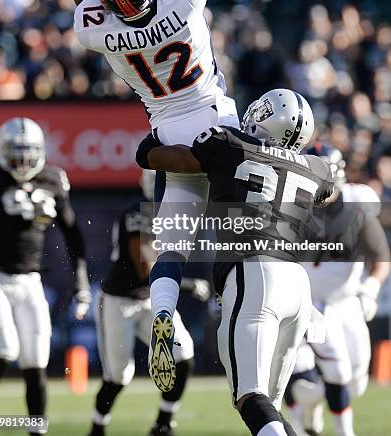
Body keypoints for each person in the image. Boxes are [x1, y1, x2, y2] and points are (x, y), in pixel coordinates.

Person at [53, 0, 239, 392]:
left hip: (170, 136)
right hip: (220, 126)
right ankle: (232, 304)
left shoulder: (101, 31)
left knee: (171, 243)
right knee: (245, 231)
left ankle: (164, 311)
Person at [136, 88, 334, 436]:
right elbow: (327, 193)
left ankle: (163, 308)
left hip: (255, 274)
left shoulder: (229, 144)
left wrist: (148, 148)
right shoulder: (318, 169)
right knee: (267, 407)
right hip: (298, 286)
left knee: (250, 397)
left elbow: (175, 161)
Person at [0, 117, 91, 436]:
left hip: (30, 281)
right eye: (16, 152)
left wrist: (81, 282)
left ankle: (36, 430)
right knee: (4, 352)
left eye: (29, 152)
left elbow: (72, 235)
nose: (23, 160)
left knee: (36, 359)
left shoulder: (53, 179)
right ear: (1, 151)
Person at [89, 170, 210, 436]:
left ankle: (163, 423)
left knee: (183, 354)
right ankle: (97, 427)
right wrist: (188, 284)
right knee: (118, 376)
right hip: (120, 301)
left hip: (151, 299)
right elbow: (146, 267)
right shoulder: (139, 213)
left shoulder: (174, 215)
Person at [284, 144, 390, 436]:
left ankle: (314, 399)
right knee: (329, 370)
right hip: (309, 301)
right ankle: (328, 424)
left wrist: (369, 288)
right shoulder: (290, 206)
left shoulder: (358, 203)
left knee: (356, 381)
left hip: (346, 302)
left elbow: (380, 256)